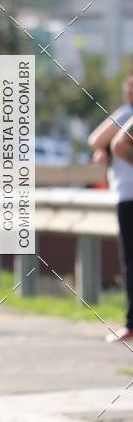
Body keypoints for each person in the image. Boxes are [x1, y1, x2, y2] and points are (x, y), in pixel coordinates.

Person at [89, 71, 133, 342]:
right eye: (127, 85)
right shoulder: (126, 113)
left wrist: (103, 150)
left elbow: (103, 142)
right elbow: (106, 144)